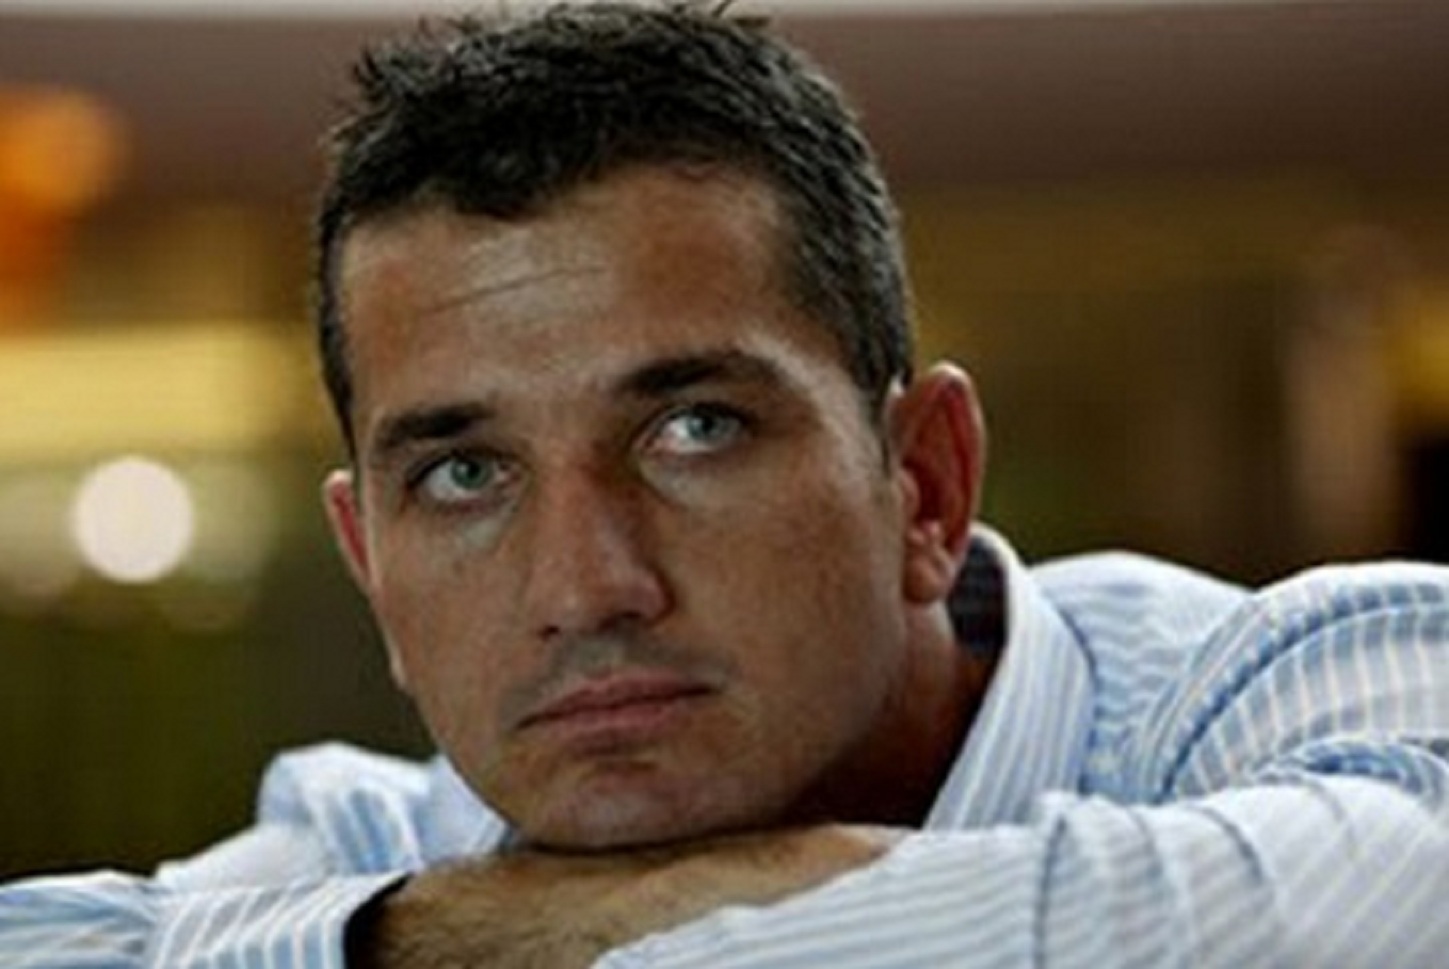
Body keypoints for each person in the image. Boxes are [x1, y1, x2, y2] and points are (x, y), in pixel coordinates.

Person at [4, 2, 1449, 966]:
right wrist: (449, 926)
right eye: (463, 473)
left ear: (924, 483)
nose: (585, 587)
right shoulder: (385, 846)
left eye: (693, 429)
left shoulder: (1305, 679)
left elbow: (1376, 912)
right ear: (369, 564)